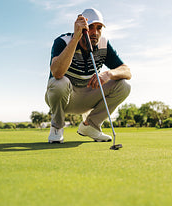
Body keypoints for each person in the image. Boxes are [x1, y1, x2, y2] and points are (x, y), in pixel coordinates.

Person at [45, 8, 131, 143]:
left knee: (124, 85)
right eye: (90, 27)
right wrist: (76, 39)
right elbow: (57, 72)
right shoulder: (64, 41)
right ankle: (57, 127)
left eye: (99, 28)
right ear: (81, 28)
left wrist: (109, 74)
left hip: (88, 96)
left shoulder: (104, 45)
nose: (95, 33)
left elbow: (127, 71)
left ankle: (90, 126)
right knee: (59, 83)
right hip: (66, 97)